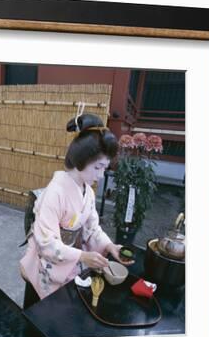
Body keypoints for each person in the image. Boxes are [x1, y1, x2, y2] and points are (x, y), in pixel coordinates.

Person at [19, 113, 132, 301]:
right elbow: (46, 244)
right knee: (46, 311)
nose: (102, 175)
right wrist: (83, 256)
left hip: (69, 258)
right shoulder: (55, 193)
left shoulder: (87, 191)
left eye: (105, 168)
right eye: (98, 167)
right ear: (81, 160)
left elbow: (92, 229)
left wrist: (109, 246)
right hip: (46, 262)